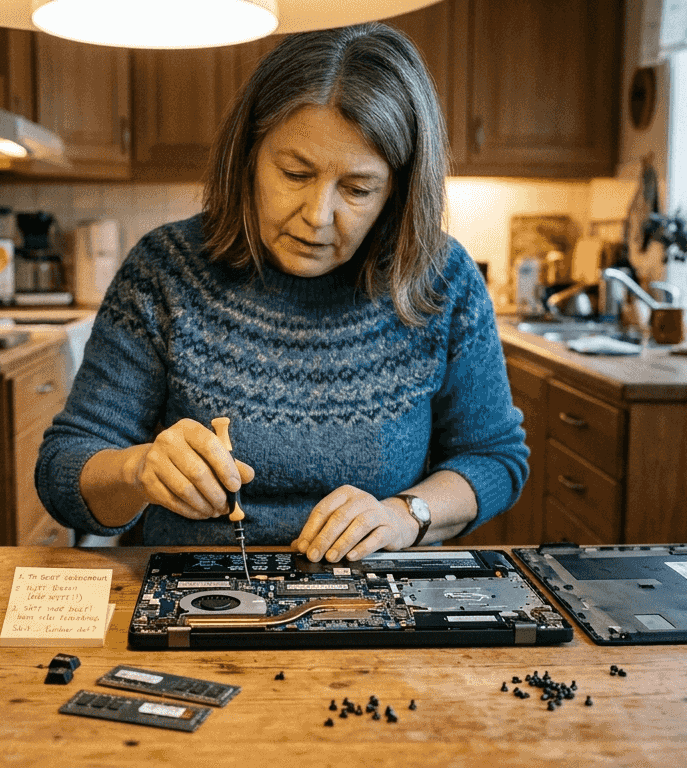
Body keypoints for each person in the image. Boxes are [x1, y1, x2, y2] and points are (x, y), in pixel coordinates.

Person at [37, 22, 527, 562]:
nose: (318, 217)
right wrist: (137, 470)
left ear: (399, 189)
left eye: (358, 189)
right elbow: (65, 470)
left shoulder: (441, 278)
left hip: (376, 607)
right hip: (193, 600)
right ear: (249, 154)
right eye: (295, 173)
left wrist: (405, 515)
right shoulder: (165, 270)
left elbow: (495, 458)